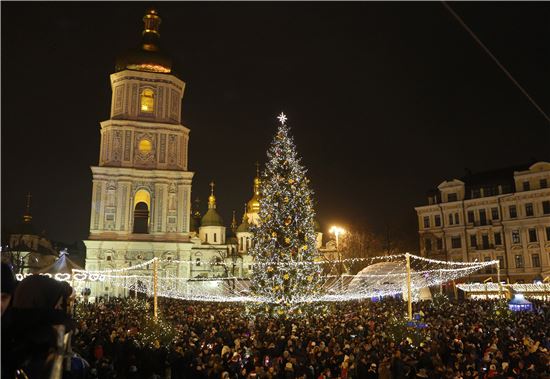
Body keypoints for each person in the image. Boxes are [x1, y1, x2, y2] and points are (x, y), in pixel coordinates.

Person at [2, 275, 75, 379]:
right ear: (42, 302)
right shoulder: (33, 342)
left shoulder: (12, 329)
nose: (59, 310)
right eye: (57, 306)